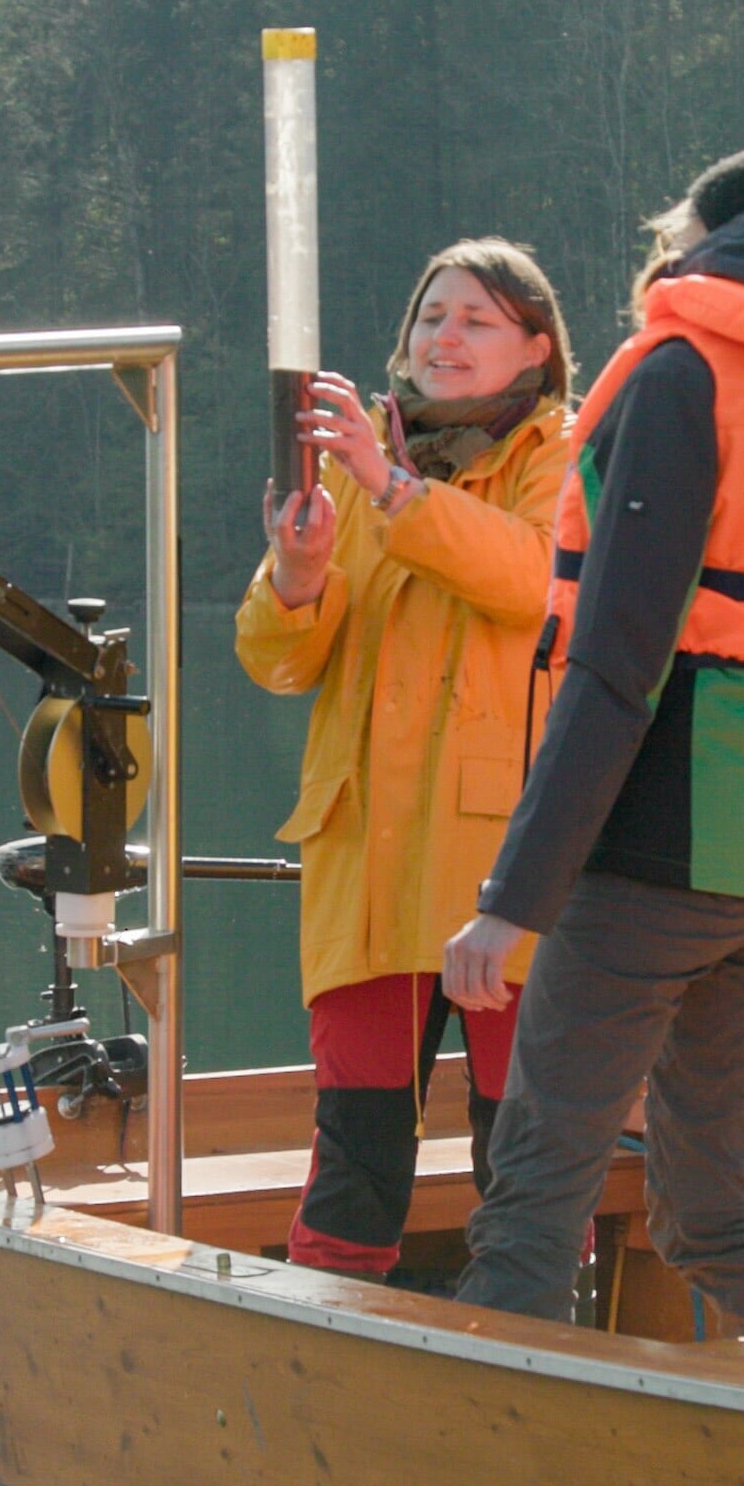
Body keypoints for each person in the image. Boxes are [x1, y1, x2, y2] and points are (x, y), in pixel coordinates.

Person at [440, 131, 744, 1333]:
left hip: (657, 845)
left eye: (671, 238)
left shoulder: (679, 378)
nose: (659, 256)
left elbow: (617, 664)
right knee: (710, 1214)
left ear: (713, 243)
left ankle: (490, 1465)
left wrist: (516, 897)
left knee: (532, 1200)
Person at [236, 240, 574, 1280]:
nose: (445, 337)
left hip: (506, 877)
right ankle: (322, 1365)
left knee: (524, 1157)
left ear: (537, 347)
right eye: (432, 318)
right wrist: (296, 577)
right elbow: (277, 662)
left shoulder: (564, 454)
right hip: (369, 869)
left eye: (476, 319)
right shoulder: (351, 467)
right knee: (353, 1158)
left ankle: (545, 1365)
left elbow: (530, 582)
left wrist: (393, 491)